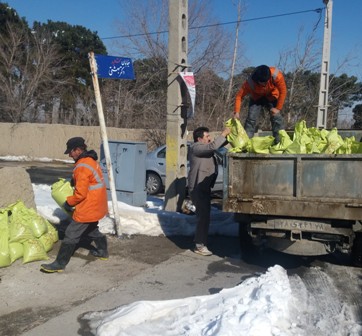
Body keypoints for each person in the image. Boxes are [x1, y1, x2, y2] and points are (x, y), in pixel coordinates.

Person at [41, 137, 109, 273]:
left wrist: (68, 203)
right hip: (98, 205)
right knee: (91, 229)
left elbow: (80, 194)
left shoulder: (82, 166)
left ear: (78, 150)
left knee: (71, 234)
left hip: (88, 207)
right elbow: (91, 182)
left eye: (70, 152)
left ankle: (60, 263)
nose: (69, 155)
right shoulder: (90, 161)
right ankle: (102, 251)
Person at [188, 126, 230, 256]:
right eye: (207, 136)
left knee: (205, 216)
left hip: (204, 188)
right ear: (199, 139)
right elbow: (212, 146)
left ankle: (201, 241)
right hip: (197, 188)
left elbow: (217, 145)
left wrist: (229, 136)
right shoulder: (196, 147)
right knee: (203, 217)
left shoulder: (205, 149)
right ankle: (199, 245)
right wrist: (223, 133)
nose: (210, 138)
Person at [233, 64, 287, 144]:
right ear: (257, 80)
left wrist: (278, 108)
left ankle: (280, 143)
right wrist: (236, 112)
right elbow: (239, 96)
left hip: (272, 95)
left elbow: (283, 92)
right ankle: (245, 143)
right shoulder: (249, 82)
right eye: (262, 83)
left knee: (276, 117)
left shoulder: (277, 75)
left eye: (266, 82)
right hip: (256, 98)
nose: (264, 84)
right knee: (251, 118)